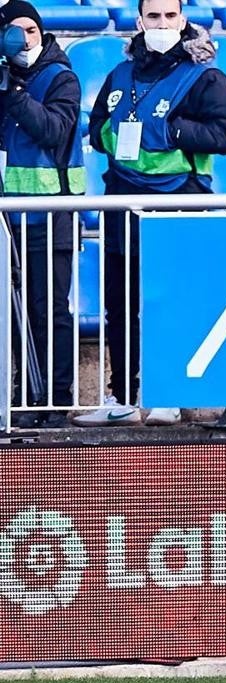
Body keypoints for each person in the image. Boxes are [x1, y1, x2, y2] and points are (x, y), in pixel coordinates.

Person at [76, 0, 226, 427]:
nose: (162, 24)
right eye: (154, 16)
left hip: (179, 201)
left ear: (183, 20)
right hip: (122, 201)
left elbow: (225, 134)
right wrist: (115, 136)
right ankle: (122, 396)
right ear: (140, 21)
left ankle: (170, 394)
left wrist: (169, 131)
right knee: (120, 303)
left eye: (170, 16)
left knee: (171, 300)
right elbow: (96, 128)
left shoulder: (205, 77)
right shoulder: (121, 75)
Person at [0, 1, 82, 428]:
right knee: (10, 314)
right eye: (15, 31)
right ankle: (19, 395)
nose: (25, 39)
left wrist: (13, 94)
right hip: (7, 222)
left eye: (31, 30)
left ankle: (56, 398)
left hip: (50, 217)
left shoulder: (60, 77)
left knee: (48, 309)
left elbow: (53, 130)